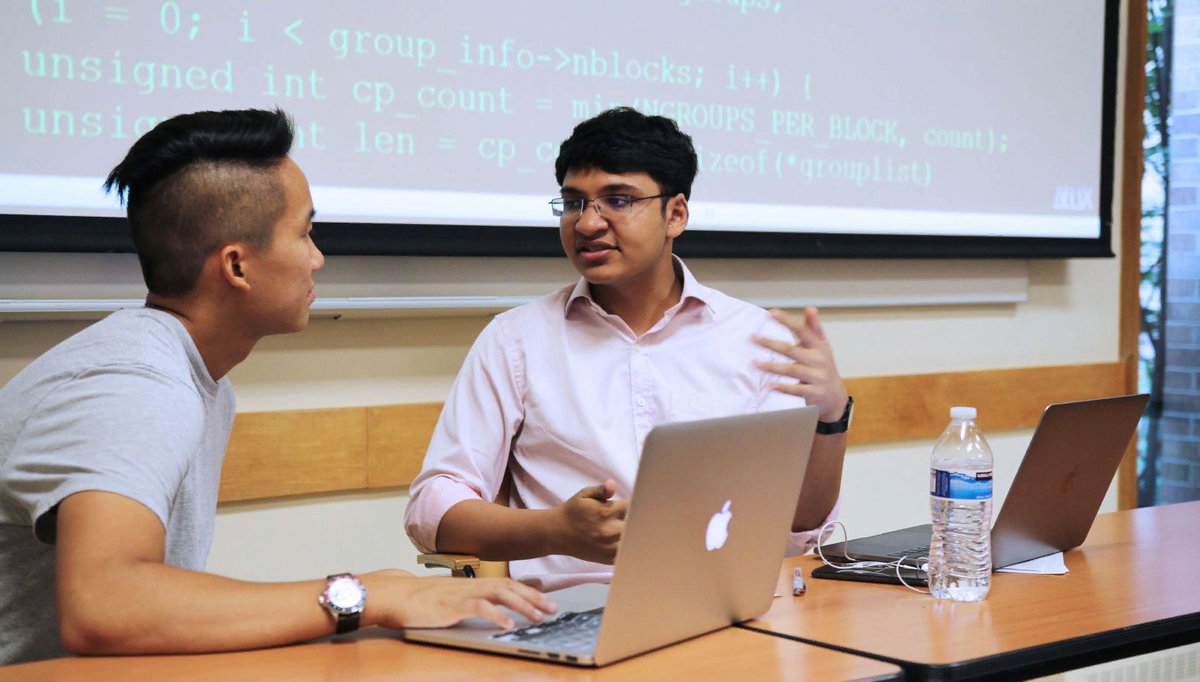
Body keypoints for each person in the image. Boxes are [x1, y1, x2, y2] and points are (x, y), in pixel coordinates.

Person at [0, 108, 554, 666]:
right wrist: (366, 596)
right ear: (237, 266)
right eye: (304, 232)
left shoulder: (192, 378)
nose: (318, 258)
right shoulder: (139, 385)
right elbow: (106, 605)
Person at [405, 107, 851, 591]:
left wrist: (830, 417)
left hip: (724, 601)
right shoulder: (516, 340)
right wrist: (555, 530)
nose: (587, 224)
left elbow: (799, 530)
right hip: (573, 608)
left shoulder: (755, 337)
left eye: (617, 200)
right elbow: (432, 508)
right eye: (573, 203)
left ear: (675, 214)